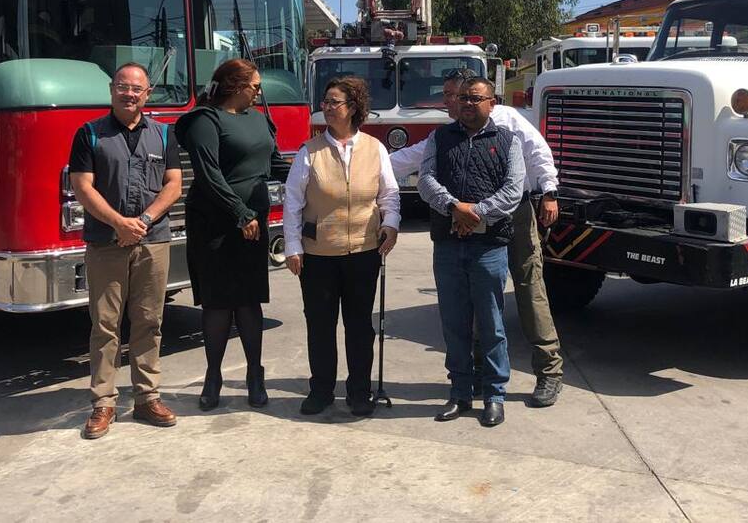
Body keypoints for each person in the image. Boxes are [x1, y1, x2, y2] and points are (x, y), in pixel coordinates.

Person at [392, 68, 566, 407]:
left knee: (529, 289)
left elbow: (538, 153)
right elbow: (411, 159)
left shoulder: (508, 121)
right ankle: (475, 374)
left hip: (513, 214)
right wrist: (367, 164)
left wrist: (549, 191)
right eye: (451, 97)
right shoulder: (445, 135)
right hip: (459, 216)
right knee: (473, 297)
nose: (448, 102)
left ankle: (549, 371)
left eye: (453, 95)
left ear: (476, 94)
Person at [69, 62, 183, 439]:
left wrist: (144, 221)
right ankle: (103, 403)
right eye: (123, 87)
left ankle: (147, 397)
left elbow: (173, 185)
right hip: (106, 242)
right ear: (112, 90)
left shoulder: (165, 135)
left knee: (150, 320)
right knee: (105, 325)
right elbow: (83, 187)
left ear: (147, 94)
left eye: (137, 89)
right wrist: (120, 223)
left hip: (153, 240)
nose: (129, 94)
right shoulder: (89, 135)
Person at [176, 58, 292, 409]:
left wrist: (310, 174)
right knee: (217, 302)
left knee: (249, 299)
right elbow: (209, 175)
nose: (260, 91)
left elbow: (273, 164)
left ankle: (255, 374)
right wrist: (240, 213)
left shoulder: (259, 120)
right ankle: (214, 376)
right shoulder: (205, 121)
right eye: (255, 85)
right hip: (214, 224)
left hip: (251, 224)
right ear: (234, 85)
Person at [282, 76, 401, 416]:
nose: (327, 107)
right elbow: (293, 202)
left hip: (363, 253)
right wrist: (293, 246)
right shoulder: (310, 152)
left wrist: (390, 225)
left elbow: (389, 194)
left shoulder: (375, 149)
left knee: (360, 326)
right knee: (320, 325)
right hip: (318, 256)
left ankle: (359, 391)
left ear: (353, 108)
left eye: (335, 102)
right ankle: (320, 390)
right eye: (325, 101)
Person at [418, 76, 525, 428]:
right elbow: (425, 180)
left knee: (492, 324)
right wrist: (453, 207)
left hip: (487, 247)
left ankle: (494, 396)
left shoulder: (507, 141)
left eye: (475, 98)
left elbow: (513, 191)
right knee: (454, 324)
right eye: (462, 97)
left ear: (491, 102)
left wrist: (475, 212)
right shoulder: (439, 137)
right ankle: (460, 393)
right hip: (448, 245)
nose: (466, 103)